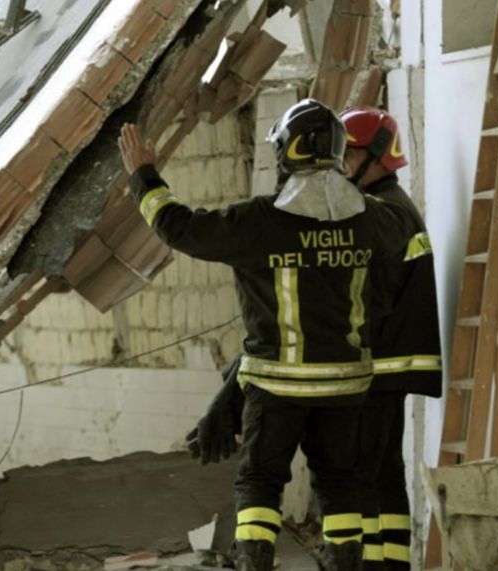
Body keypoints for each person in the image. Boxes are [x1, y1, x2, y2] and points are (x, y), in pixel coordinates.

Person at [118, 99, 414, 571]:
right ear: (338, 153)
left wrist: (143, 176)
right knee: (339, 485)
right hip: (346, 389)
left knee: (259, 481)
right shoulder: (376, 220)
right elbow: (400, 248)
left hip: (276, 388)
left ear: (285, 153)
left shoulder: (258, 222)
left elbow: (178, 227)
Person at [341, 106, 443, 571]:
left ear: (378, 155)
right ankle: (391, 566)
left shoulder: (381, 214)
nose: (340, 167)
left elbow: (367, 298)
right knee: (383, 475)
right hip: (390, 366)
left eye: (348, 156)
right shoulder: (396, 208)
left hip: (377, 367)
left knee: (362, 476)